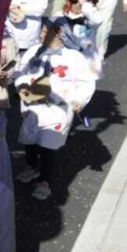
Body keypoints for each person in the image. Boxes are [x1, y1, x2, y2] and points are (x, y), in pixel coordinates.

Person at [13, 17, 98, 202]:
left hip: (57, 109)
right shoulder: (34, 51)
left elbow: (86, 82)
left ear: (59, 33)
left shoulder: (73, 57)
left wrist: (79, 99)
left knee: (47, 145)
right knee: (29, 140)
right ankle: (32, 167)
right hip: (33, 105)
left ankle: (44, 181)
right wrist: (23, 88)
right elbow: (20, 72)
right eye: (41, 31)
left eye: (45, 32)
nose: (41, 35)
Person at [2, 0, 49, 77]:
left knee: (21, 63)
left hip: (25, 29)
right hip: (9, 26)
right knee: (7, 59)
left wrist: (20, 8)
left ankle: (17, 84)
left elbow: (41, 7)